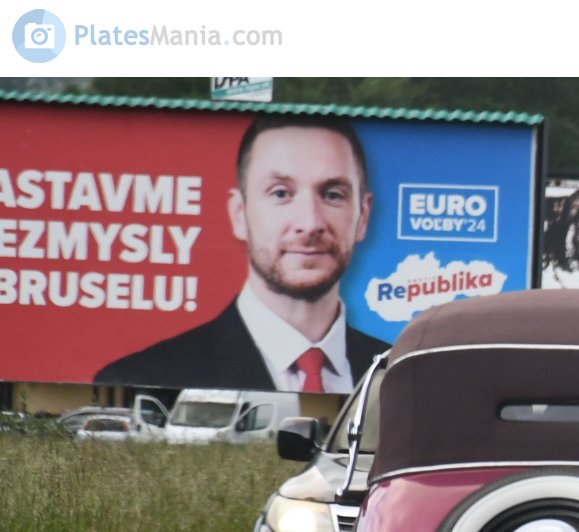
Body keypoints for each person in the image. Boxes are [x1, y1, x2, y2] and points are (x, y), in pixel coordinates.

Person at [95, 116, 388, 392]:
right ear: (239, 214)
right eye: (281, 193)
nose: (309, 224)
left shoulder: (406, 377)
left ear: (362, 216)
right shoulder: (137, 381)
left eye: (333, 195)